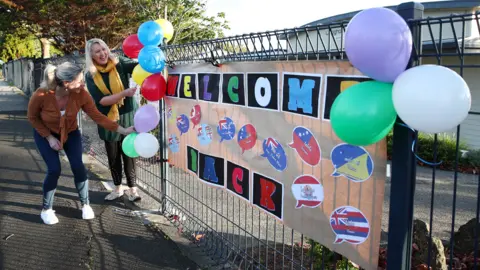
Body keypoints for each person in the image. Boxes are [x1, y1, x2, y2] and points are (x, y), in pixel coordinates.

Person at [27, 62, 135, 225]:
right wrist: (49, 138)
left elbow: (98, 116)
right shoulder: (41, 95)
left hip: (70, 133)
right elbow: (33, 118)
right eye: (79, 81)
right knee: (54, 169)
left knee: (78, 166)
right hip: (45, 134)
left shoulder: (81, 94)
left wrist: (122, 130)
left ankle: (85, 204)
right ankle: (46, 209)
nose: (83, 84)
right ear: (66, 83)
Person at [84, 38, 141, 202]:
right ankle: (117, 188)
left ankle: (133, 190)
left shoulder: (119, 62)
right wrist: (124, 93)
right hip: (107, 118)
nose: (102, 53)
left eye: (104, 49)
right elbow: (101, 100)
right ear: (91, 56)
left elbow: (137, 67)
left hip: (127, 114)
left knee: (129, 153)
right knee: (113, 155)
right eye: (97, 51)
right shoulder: (90, 75)